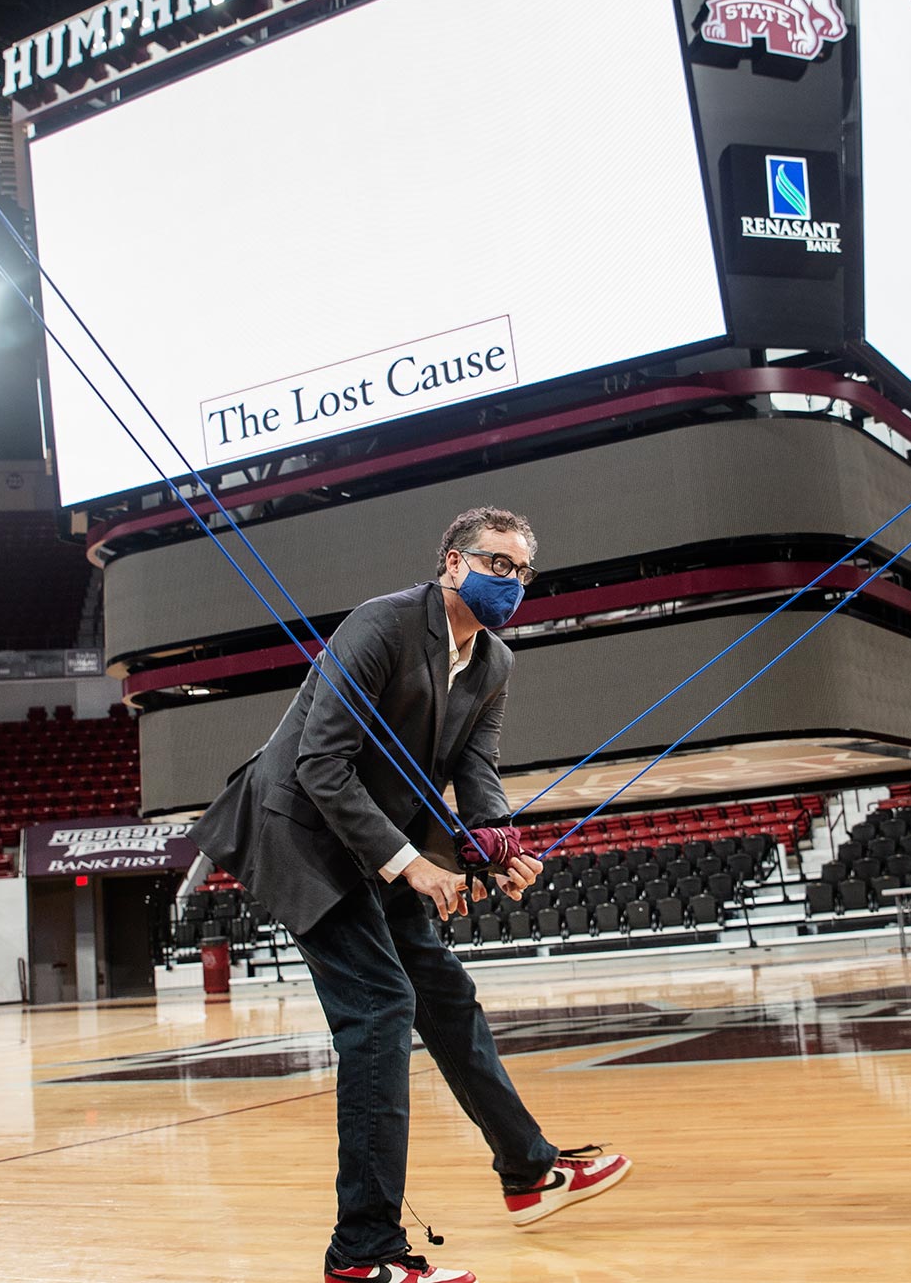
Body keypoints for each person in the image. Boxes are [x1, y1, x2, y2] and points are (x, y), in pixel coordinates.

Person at [196, 506, 630, 1283]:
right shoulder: (381, 626)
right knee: (381, 1008)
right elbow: (320, 766)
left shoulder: (494, 662)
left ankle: (528, 1172)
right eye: (498, 563)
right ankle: (362, 1253)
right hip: (295, 828)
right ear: (453, 563)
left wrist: (499, 847)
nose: (513, 581)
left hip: (370, 842)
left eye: (522, 571)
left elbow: (478, 769)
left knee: (444, 994)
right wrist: (413, 863)